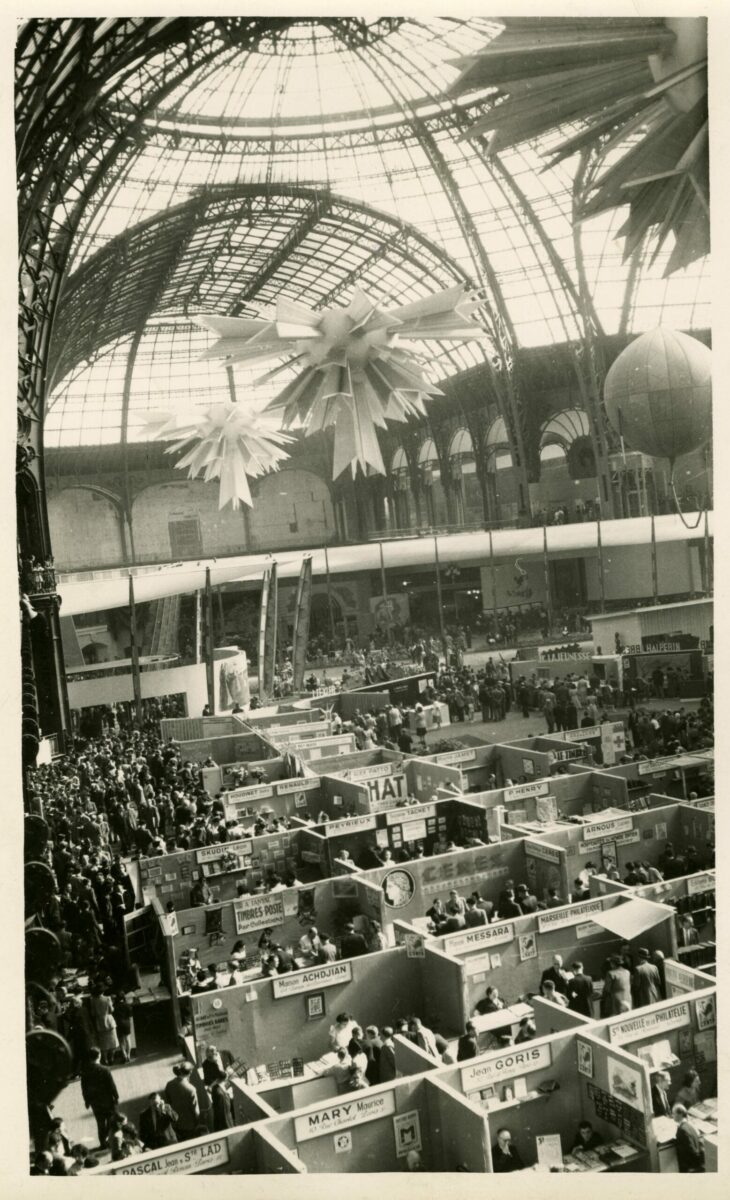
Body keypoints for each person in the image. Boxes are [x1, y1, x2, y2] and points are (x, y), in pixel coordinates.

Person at [80, 1047, 119, 1149]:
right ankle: (111, 1140)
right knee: (111, 1120)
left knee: (100, 1123)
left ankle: (103, 1143)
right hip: (107, 1100)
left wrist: (87, 1101)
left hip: (95, 1102)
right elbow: (111, 1085)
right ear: (99, 1056)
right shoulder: (105, 1070)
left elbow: (84, 1089)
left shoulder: (85, 1072)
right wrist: (116, 1096)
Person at [164, 1062, 200, 1141]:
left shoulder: (169, 1085)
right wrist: (198, 1122)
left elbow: (168, 1102)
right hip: (189, 1125)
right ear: (190, 1072)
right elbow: (195, 1110)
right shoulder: (191, 1089)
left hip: (175, 1123)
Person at [672, 1104, 705, 1172]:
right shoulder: (690, 1126)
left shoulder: (682, 1130)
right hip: (697, 1162)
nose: (672, 1116)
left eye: (673, 1113)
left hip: (690, 1166)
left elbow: (689, 1150)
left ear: (680, 1114)